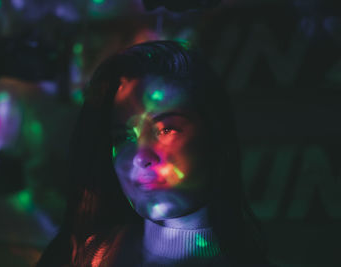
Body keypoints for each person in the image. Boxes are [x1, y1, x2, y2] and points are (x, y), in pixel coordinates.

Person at [36, 40, 272, 267]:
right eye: (123, 136)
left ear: (213, 134)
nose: (140, 156)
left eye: (166, 129)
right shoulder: (83, 257)